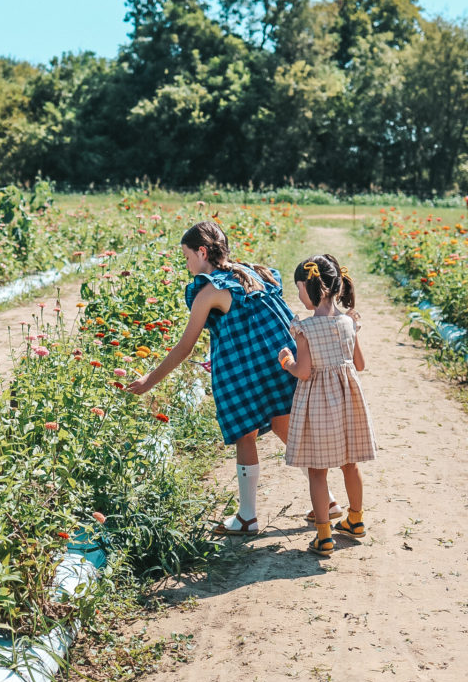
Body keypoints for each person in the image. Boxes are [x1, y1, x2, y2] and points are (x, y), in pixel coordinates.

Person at [128, 220, 298, 535]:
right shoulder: (254, 272)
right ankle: (327, 500)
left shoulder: (210, 290)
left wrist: (150, 380)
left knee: (245, 436)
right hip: (281, 361)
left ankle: (247, 517)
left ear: (202, 251)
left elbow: (183, 347)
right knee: (286, 428)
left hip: (245, 372)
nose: (187, 264)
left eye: (187, 256)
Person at [278, 254, 376, 556]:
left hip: (319, 404)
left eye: (299, 289)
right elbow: (359, 364)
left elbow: (304, 371)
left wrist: (287, 362)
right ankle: (356, 520)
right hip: (349, 402)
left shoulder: (305, 329)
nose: (298, 295)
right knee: (350, 463)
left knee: (318, 470)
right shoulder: (349, 322)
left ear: (313, 288)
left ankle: (324, 536)